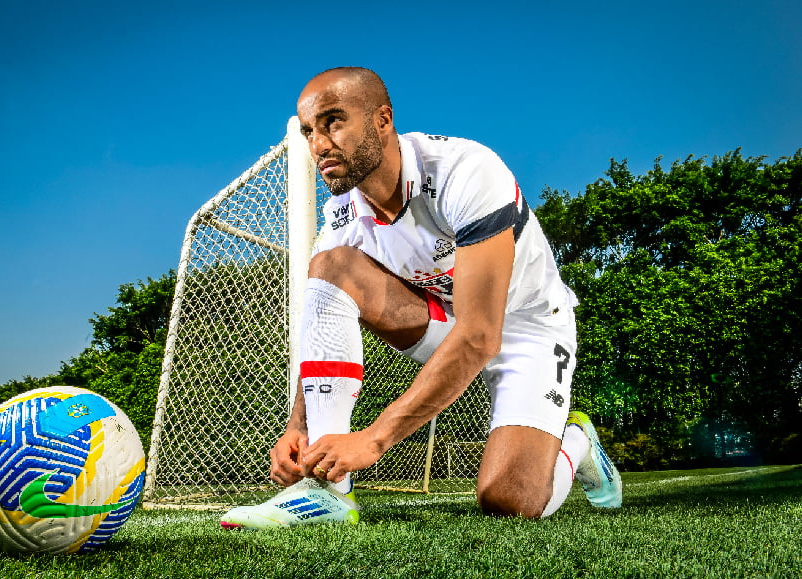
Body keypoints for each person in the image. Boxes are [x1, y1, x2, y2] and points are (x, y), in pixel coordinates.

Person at [220, 67, 621, 530]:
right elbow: (320, 331)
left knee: (510, 501)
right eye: (310, 130)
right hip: (449, 323)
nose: (319, 145)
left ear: (382, 120)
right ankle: (327, 493)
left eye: (333, 122)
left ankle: (577, 443)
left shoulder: (465, 172)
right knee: (330, 268)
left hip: (527, 327)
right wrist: (299, 428)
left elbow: (481, 335)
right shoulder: (341, 216)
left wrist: (374, 439)